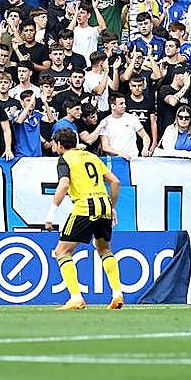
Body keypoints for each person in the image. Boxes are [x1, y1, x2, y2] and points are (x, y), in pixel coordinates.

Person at [43, 127, 125, 311]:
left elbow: (64, 184)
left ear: (59, 145)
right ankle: (117, 293)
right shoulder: (91, 156)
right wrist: (112, 207)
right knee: (104, 249)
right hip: (103, 204)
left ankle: (76, 298)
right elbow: (115, 181)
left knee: (62, 252)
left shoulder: (64, 159)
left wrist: (50, 214)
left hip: (85, 206)